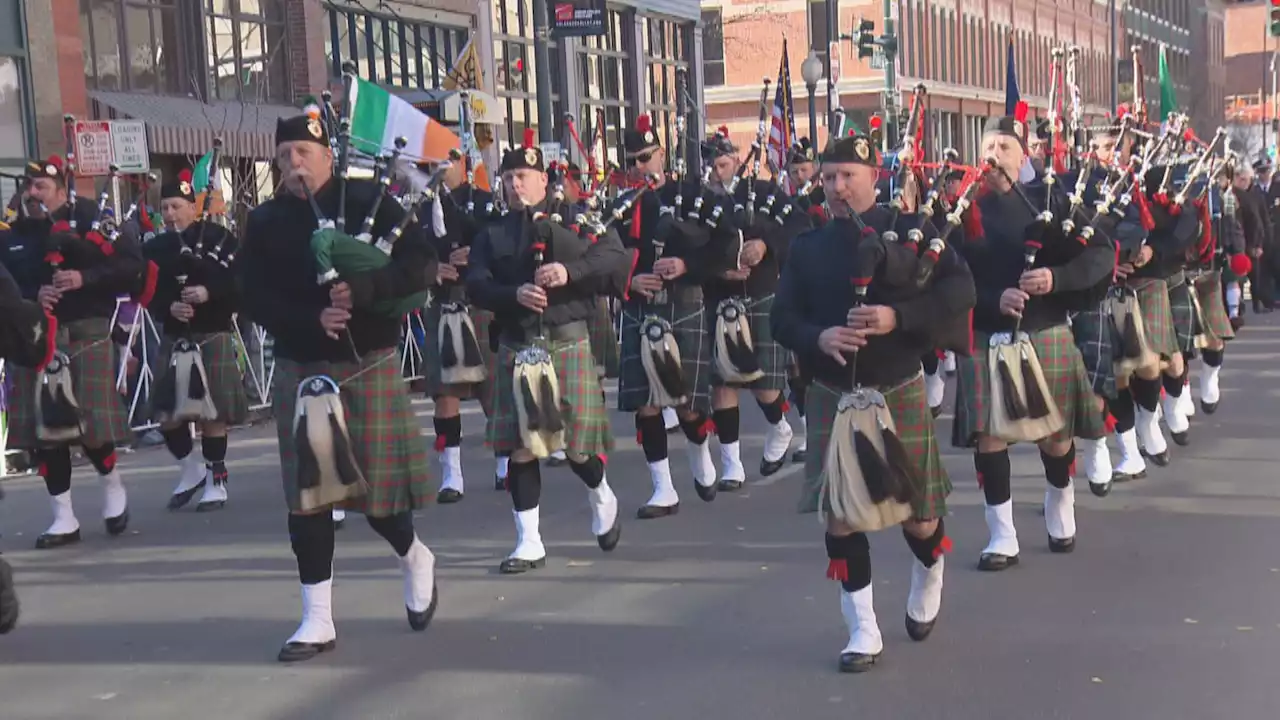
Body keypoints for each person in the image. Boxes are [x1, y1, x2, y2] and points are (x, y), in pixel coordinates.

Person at [239, 112, 439, 662]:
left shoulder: (369, 199)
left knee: (376, 499)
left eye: (303, 152)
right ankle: (317, 618)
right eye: (283, 157)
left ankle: (413, 554)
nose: (293, 164)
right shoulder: (266, 222)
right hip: (302, 365)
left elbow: (422, 265)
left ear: (328, 155)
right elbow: (251, 295)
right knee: (308, 496)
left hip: (367, 362)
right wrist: (310, 322)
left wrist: (368, 288)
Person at [772, 132, 974, 672]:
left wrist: (896, 319)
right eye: (830, 177)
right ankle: (863, 627)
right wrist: (818, 337)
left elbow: (960, 292)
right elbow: (781, 318)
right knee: (840, 519)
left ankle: (930, 568)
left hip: (896, 388)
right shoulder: (809, 247)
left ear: (873, 179)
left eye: (848, 178)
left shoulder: (911, 232)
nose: (837, 188)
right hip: (833, 394)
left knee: (918, 519)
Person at [952, 111, 1114, 571]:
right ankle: (1001, 534)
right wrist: (990, 299)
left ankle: (1060, 500)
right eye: (987, 148)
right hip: (987, 332)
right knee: (990, 438)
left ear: (1024, 153)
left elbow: (1101, 251)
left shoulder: (1051, 200)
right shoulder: (964, 208)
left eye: (1004, 147)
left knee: (1055, 439)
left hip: (1044, 329)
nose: (994, 156)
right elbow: (948, 277)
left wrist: (1056, 277)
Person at [468, 132, 630, 573]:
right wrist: (511, 294)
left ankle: (601, 494)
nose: (513, 185)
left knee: (575, 445)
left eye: (522, 176)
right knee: (523, 446)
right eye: (507, 178)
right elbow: (476, 284)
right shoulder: (493, 233)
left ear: (543, 179)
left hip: (566, 338)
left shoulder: (575, 219)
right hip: (518, 343)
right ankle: (529, 541)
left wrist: (568, 270)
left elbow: (613, 253)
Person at [5, 156, 142, 549]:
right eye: (28, 187)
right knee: (46, 433)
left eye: (41, 187)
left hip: (86, 331)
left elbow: (132, 265)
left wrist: (86, 276)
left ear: (62, 191)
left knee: (92, 427)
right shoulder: (12, 233)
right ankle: (63, 516)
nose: (33, 194)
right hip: (36, 338)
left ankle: (112, 484)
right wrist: (32, 297)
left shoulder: (93, 219)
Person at [614, 116, 737, 518]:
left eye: (645, 157)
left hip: (683, 300)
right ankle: (662, 489)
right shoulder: (616, 203)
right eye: (631, 160)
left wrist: (686, 264)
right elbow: (601, 255)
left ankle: (701, 451)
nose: (638, 166)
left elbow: (723, 246)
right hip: (639, 304)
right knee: (646, 404)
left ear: (661, 155)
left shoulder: (690, 193)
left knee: (686, 403)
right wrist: (629, 280)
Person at [703, 129, 811, 489]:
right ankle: (731, 465)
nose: (718, 173)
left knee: (762, 381)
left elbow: (799, 226)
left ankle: (780, 427)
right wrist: (719, 268)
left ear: (735, 160)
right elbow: (689, 247)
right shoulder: (698, 200)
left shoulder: (763, 193)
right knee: (722, 381)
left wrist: (766, 245)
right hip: (720, 296)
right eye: (711, 166)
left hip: (761, 292)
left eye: (722, 164)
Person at [145, 168, 247, 511]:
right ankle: (190, 470)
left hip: (211, 333)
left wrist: (208, 291)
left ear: (193, 207)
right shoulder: (156, 247)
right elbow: (147, 292)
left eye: (177, 206)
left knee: (212, 415)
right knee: (166, 413)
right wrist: (168, 307)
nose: (171, 214)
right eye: (166, 207)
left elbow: (240, 283)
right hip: (176, 336)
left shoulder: (219, 238)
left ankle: (217, 481)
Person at [421, 154, 500, 503]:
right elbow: (405, 256)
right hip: (443, 303)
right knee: (445, 395)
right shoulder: (420, 211)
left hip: (479, 302)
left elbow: (506, 248)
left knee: (492, 391)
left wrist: (477, 254)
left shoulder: (484, 203)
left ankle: (504, 461)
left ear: (463, 165)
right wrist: (432, 269)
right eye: (431, 163)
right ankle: (451, 473)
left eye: (445, 161)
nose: (437, 168)